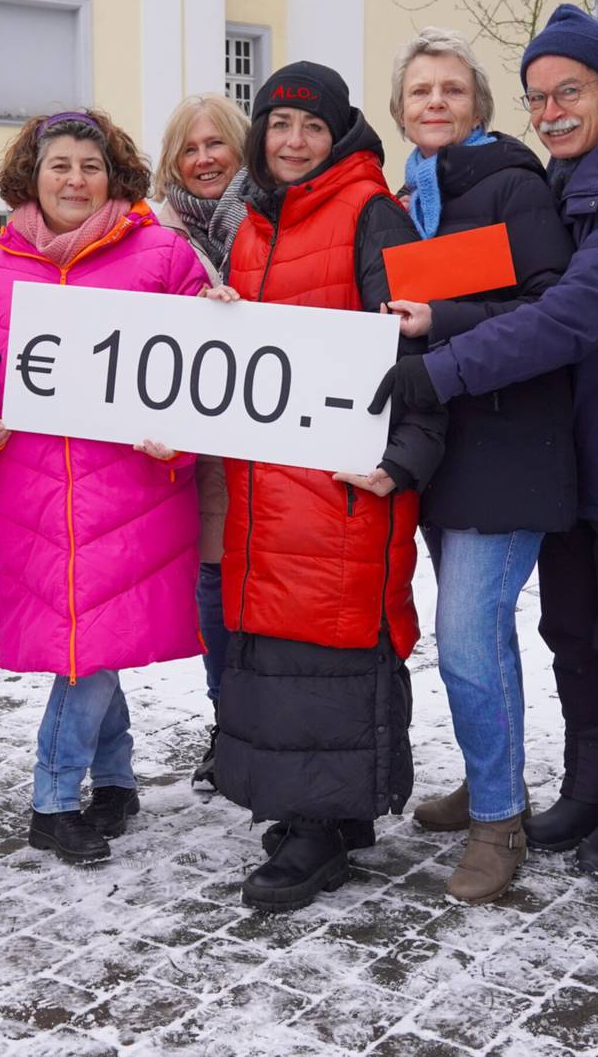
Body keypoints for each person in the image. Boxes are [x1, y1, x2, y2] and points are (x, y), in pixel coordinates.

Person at [375, 5, 598, 881]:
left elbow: (568, 311)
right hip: (560, 447)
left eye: (571, 91)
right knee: (570, 631)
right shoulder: (547, 181)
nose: (553, 109)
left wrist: (439, 357)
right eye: (541, 96)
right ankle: (581, 791)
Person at [0, 110, 209, 865]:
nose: (74, 179)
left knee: (89, 645)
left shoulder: (164, 255)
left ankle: (54, 801)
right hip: (32, 496)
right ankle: (116, 780)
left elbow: (207, 368)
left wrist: (218, 323)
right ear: (32, 174)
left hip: (134, 490)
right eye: (59, 165)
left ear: (113, 174)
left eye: (90, 166)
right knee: (90, 643)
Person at [210, 61, 445, 913]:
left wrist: (407, 460)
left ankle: (319, 826)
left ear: (339, 133)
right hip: (266, 486)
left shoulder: (374, 215)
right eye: (280, 126)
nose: (295, 142)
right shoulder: (251, 226)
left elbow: (419, 348)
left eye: (312, 128)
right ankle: (322, 811)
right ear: (261, 135)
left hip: (348, 484)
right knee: (276, 649)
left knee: (330, 648)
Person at [380, 27, 576, 905]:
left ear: (479, 107)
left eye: (451, 91)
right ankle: (487, 781)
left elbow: (552, 308)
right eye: (419, 91)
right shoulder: (406, 199)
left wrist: (440, 324)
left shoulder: (511, 186)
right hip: (443, 451)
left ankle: (499, 821)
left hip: (509, 449)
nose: (434, 103)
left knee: (465, 643)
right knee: (480, 641)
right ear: (398, 110)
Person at [149, 92, 251, 792]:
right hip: (202, 450)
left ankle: (272, 725)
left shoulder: (273, 218)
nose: (204, 158)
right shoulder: (155, 236)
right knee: (214, 589)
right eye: (190, 148)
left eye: (217, 144)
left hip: (278, 440)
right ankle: (231, 726)